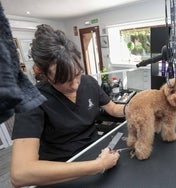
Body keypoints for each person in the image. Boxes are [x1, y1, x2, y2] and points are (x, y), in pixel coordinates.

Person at [11, 24, 125, 188]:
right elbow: (20, 174)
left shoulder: (89, 83)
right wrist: (98, 166)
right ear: (44, 75)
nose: (75, 85)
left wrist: (133, 107)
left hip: (95, 151)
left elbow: (113, 108)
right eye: (64, 80)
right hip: (60, 171)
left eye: (77, 74)